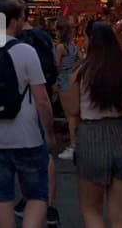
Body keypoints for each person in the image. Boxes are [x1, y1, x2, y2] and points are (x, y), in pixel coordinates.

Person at [0, 0, 55, 228]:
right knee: (37, 196)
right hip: (27, 136)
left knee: (2, 198)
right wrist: (49, 133)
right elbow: (43, 100)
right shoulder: (26, 51)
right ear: (15, 20)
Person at [65, 21, 122, 228]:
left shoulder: (80, 72)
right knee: (120, 216)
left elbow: (72, 110)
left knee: (91, 210)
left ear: (91, 42)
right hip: (121, 136)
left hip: (91, 136)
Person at [17, 2, 60, 227]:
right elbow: (53, 64)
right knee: (44, 151)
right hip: (42, 93)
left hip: (19, 103)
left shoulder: (10, 41)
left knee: (24, 152)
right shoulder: (43, 37)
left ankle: (31, 199)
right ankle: (48, 205)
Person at [55, 18, 80, 160]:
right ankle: (77, 143)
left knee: (69, 116)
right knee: (76, 114)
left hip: (64, 81)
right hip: (74, 80)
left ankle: (73, 146)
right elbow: (81, 59)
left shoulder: (60, 47)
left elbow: (57, 65)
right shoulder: (73, 45)